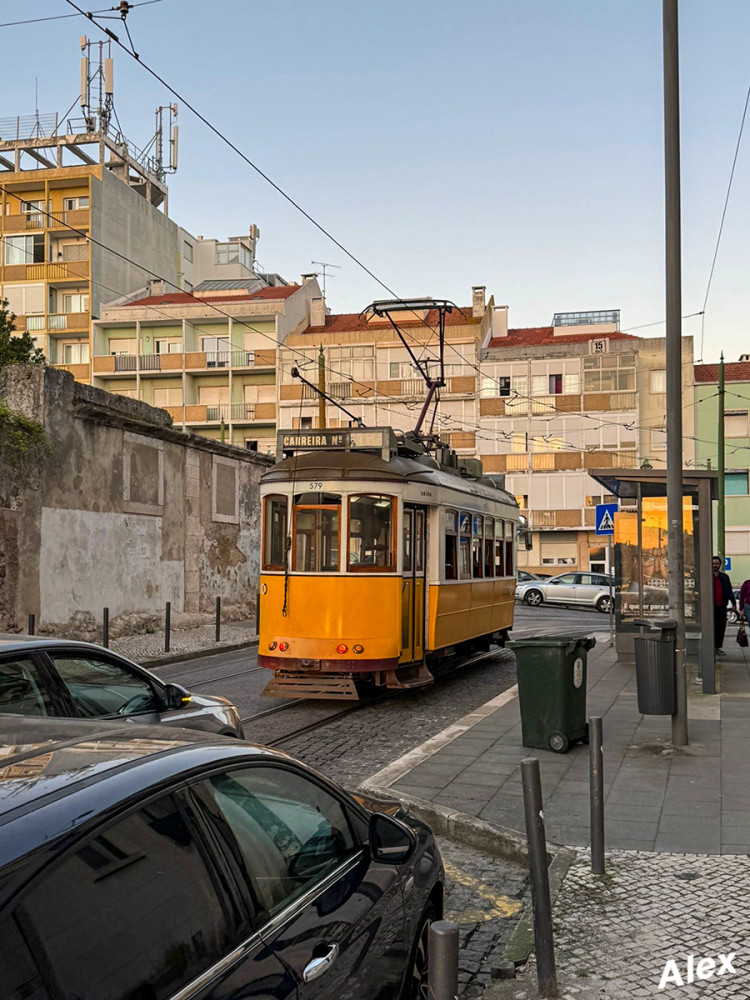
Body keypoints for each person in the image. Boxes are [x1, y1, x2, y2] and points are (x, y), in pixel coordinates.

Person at [713, 555, 738, 655]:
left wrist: (734, 603)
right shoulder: (706, 577)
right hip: (710, 607)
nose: (715, 566)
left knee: (721, 627)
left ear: (720, 565)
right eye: (713, 564)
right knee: (711, 627)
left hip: (721, 606)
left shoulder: (724, 577)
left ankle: (717, 647)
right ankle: (710, 646)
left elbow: (729, 591)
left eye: (717, 564)